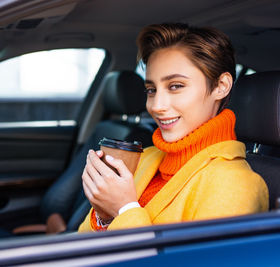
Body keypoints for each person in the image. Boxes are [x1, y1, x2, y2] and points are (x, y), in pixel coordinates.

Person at [78, 23, 269, 232]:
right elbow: (81, 246)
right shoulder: (144, 158)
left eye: (176, 86)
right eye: (151, 90)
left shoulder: (237, 184)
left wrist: (124, 210)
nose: (156, 106)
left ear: (221, 86)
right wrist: (105, 215)